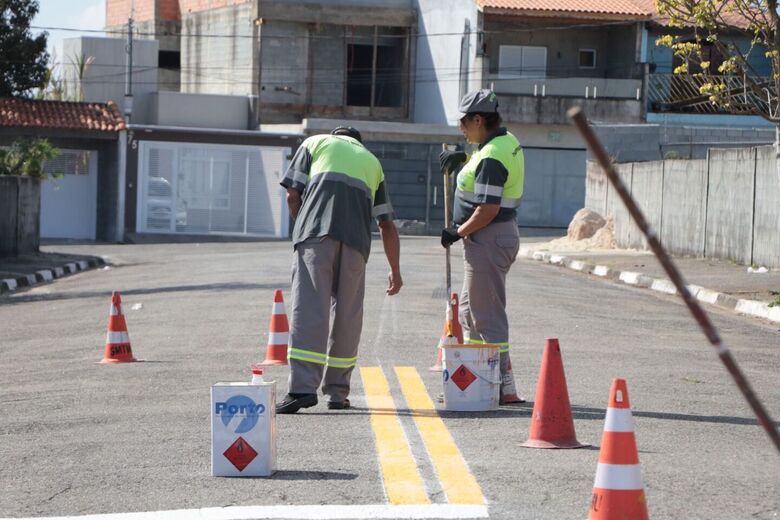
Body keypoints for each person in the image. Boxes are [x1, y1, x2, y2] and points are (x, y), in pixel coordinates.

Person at [277, 126, 402, 414]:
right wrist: (395, 270)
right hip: (357, 244)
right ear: (357, 142)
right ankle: (337, 392)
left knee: (310, 309)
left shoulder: (316, 143)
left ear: (336, 135)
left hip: (316, 237)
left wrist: (303, 226)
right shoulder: (373, 163)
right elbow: (386, 224)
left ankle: (301, 389)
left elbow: (292, 195)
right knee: (348, 315)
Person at [439, 89, 525, 404]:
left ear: (478, 119)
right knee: (469, 312)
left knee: (486, 315)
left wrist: (457, 232)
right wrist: (464, 157)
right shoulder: (500, 143)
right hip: (488, 238)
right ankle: (479, 379)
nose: (461, 128)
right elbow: (482, 171)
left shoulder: (492, 156)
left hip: (488, 236)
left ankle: (502, 385)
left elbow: (487, 209)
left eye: (464, 122)